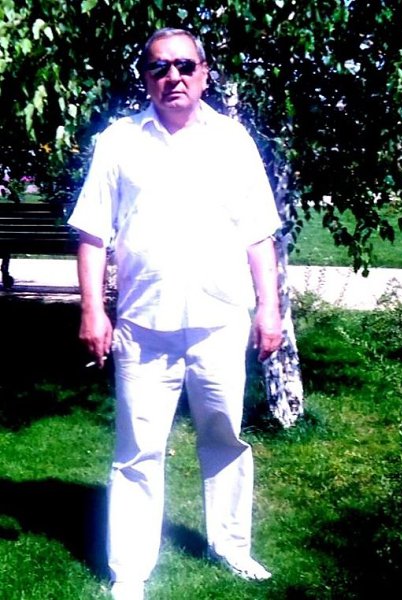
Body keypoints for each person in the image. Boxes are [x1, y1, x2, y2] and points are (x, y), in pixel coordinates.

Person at [68, 27, 282, 600]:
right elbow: (92, 233)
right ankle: (130, 571)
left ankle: (232, 547)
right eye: (160, 67)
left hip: (221, 320)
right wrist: (92, 311)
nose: (174, 77)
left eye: (185, 66)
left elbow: (258, 234)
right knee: (137, 450)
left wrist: (269, 311)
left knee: (225, 437)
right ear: (145, 77)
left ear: (205, 73)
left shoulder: (233, 141)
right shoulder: (118, 142)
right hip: (142, 327)